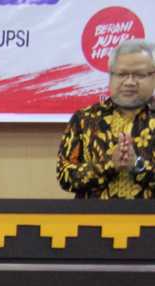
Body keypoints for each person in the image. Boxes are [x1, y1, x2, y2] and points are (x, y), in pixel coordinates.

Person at [57, 38, 155, 198]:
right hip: (94, 214)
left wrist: (138, 166)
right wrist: (109, 164)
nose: (129, 82)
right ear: (111, 76)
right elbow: (64, 176)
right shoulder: (84, 119)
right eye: (122, 74)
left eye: (139, 74)